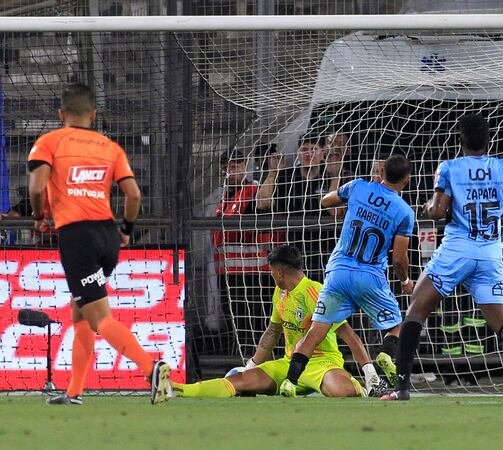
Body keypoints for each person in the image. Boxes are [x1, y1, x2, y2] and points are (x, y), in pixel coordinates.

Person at [383, 111, 503, 402]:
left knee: (415, 311)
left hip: (456, 250)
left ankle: (401, 387)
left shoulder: (449, 168)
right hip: (489, 252)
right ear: (488, 141)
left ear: (460, 139)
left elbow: (437, 212)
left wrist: (427, 208)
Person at [27, 83, 171, 405]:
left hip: (77, 237)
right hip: (107, 236)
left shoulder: (49, 142)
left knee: (99, 318)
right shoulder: (110, 147)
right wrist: (126, 229)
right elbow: (133, 195)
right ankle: (75, 392)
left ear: (61, 113)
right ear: (93, 114)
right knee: (79, 312)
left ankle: (151, 369)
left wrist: (39, 216)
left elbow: (36, 187)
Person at [278, 155, 416, 397]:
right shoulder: (405, 212)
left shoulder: (358, 186)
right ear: (407, 180)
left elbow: (326, 201)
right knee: (396, 326)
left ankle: (289, 381)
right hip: (369, 275)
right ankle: (385, 354)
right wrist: (405, 281)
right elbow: (399, 258)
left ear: (381, 171)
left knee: (317, 331)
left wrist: (354, 204)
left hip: (338, 271)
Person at [171, 245, 386, 398]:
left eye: (272, 271)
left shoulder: (317, 293)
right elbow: (272, 332)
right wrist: (250, 366)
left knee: (342, 392)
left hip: (321, 364)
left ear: (280, 272)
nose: (271, 276)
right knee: (241, 382)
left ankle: (357, 385)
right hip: (287, 363)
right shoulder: (280, 293)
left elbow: (349, 334)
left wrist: (370, 374)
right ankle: (178, 389)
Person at [212, 148, 284, 350]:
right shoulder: (225, 196)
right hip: (228, 274)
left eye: (236, 165)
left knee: (256, 324)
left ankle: (259, 366)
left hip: (253, 275)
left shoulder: (252, 190)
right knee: (236, 324)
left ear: (245, 167)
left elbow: (262, 204)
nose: (230, 170)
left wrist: (272, 173)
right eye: (227, 166)